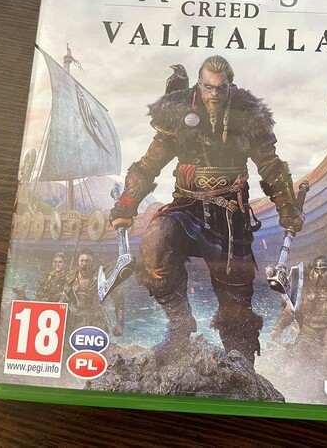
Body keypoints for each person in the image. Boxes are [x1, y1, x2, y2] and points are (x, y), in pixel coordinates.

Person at [110, 55, 304, 364]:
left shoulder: (247, 115)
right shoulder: (178, 112)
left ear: (230, 86)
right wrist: (127, 203)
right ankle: (179, 326)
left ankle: (241, 361)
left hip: (230, 214)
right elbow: (149, 164)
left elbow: (270, 165)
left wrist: (287, 207)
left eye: (220, 88)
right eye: (207, 87)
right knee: (155, 242)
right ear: (199, 84)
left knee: (235, 298)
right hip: (186, 206)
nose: (213, 94)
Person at [271, 255, 327, 371]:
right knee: (295, 359)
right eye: (317, 270)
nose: (320, 274)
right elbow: (291, 310)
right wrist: (278, 329)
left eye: (323, 270)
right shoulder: (304, 288)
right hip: (308, 331)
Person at [61, 249, 124, 337]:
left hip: (97, 320)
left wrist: (120, 324)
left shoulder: (101, 276)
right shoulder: (71, 277)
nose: (84, 263)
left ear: (92, 262)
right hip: (77, 320)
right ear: (78, 262)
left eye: (87, 261)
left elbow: (119, 299)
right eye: (82, 261)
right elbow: (65, 301)